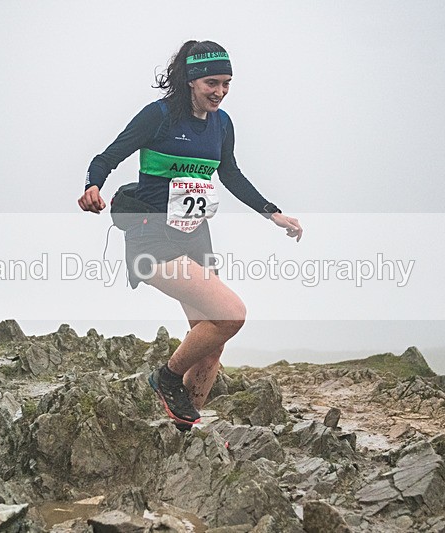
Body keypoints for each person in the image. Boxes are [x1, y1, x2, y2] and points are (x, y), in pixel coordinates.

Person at [78, 40, 302, 430]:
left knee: (211, 346)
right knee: (231, 314)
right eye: (211, 82)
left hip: (195, 236)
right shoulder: (159, 116)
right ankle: (166, 377)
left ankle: (185, 429)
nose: (219, 91)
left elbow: (229, 173)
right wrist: (93, 186)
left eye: (227, 83)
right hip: (150, 236)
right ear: (190, 80)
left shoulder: (222, 123)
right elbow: (106, 157)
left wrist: (273, 212)